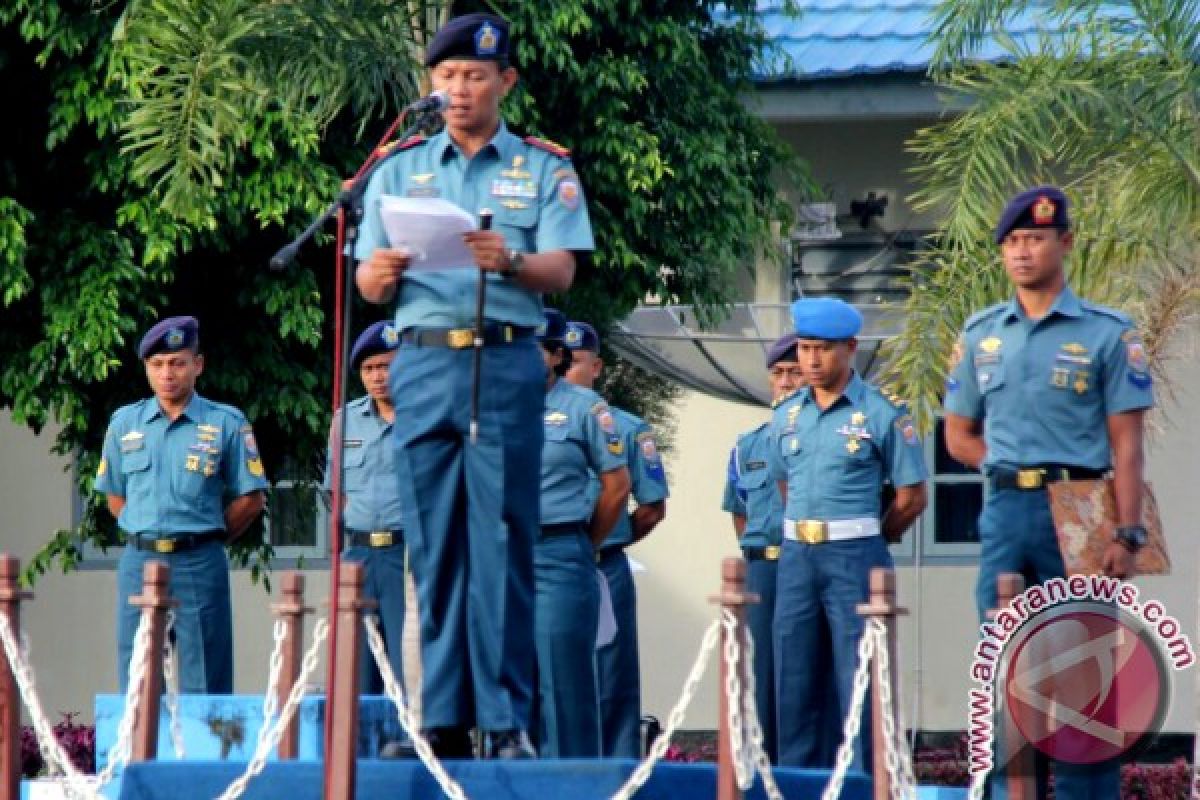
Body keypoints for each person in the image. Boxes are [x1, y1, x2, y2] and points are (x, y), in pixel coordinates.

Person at [354, 12, 594, 758]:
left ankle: (505, 720)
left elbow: (563, 269)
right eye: (447, 77)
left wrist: (511, 263)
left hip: (503, 361)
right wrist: (381, 273)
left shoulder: (544, 168)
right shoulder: (397, 168)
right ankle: (442, 721)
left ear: (505, 82)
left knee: (500, 537)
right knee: (432, 545)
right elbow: (366, 280)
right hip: (422, 363)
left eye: (475, 77)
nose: (459, 90)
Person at [943, 186, 1153, 800]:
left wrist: (1127, 531)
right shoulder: (982, 334)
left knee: (1083, 669)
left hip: (1081, 508)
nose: (1022, 252)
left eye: (1035, 238)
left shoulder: (1107, 334)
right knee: (1007, 664)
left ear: (1065, 242)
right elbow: (957, 434)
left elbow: (1129, 446)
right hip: (1006, 511)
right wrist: (1008, 465)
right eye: (1011, 242)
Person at [768, 298, 928, 770]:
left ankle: (862, 783)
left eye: (823, 350)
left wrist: (875, 537)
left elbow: (911, 496)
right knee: (793, 678)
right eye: (804, 348)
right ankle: (796, 782)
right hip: (798, 554)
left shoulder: (881, 414)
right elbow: (785, 483)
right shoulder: (787, 415)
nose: (811, 361)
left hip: (855, 554)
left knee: (858, 677)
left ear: (850, 349)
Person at [95, 316, 268, 693]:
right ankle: (141, 753)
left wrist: (209, 535)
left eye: (177, 362)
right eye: (157, 365)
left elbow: (252, 498)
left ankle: (203, 754)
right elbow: (113, 494)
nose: (167, 373)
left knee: (204, 679)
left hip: (198, 559)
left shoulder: (224, 422)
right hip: (139, 560)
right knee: (137, 676)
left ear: (197, 365)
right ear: (146, 369)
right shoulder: (124, 424)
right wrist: (144, 527)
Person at [563, 320, 668, 759]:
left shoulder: (626, 428)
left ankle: (619, 771)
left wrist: (608, 538)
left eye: (577, 362)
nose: (568, 370)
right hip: (551, 561)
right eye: (560, 361)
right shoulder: (533, 419)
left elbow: (651, 506)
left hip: (605, 562)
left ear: (597, 367)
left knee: (613, 673)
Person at [535, 310, 631, 757]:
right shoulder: (490, 403)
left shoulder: (583, 408)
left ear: (556, 356)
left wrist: (585, 543)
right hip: (500, 554)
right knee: (505, 679)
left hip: (559, 550)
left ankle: (573, 782)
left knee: (564, 680)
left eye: (532, 348)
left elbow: (616, 487)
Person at [720, 333, 803, 764]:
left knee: (799, 674)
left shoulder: (818, 437)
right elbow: (739, 512)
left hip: (804, 563)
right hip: (761, 571)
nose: (785, 382)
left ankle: (800, 770)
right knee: (758, 674)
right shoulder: (747, 444)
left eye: (794, 373)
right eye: (778, 374)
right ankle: (759, 768)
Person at [323, 321, 405, 695]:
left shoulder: (426, 417)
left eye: (386, 366)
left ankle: (411, 745)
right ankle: (359, 748)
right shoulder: (345, 420)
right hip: (357, 555)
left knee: (408, 663)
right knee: (357, 667)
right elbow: (335, 495)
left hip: (406, 554)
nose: (378, 377)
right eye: (370, 369)